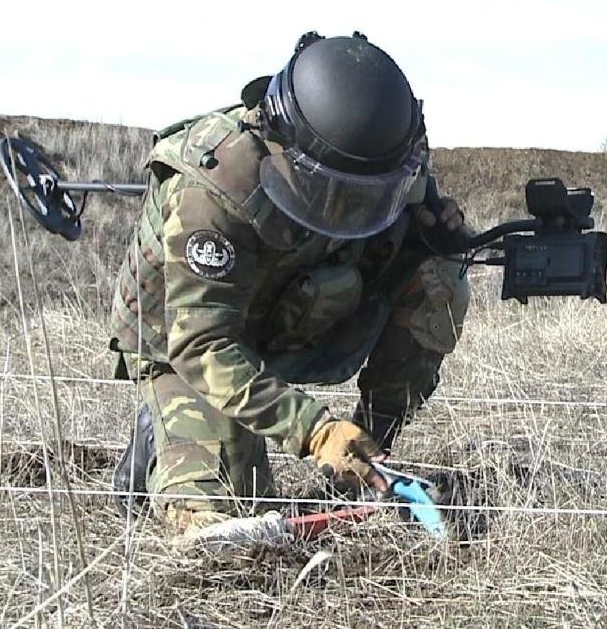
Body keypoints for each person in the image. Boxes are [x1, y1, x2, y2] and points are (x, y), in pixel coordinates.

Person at [109, 31, 471, 534]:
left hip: (298, 306)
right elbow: (202, 342)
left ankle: (369, 457)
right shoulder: (213, 186)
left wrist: (435, 234)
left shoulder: (392, 159)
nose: (343, 207)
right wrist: (314, 430)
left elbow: (406, 237)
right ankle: (163, 431)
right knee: (230, 526)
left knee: (440, 278)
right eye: (329, 189)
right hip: (192, 343)